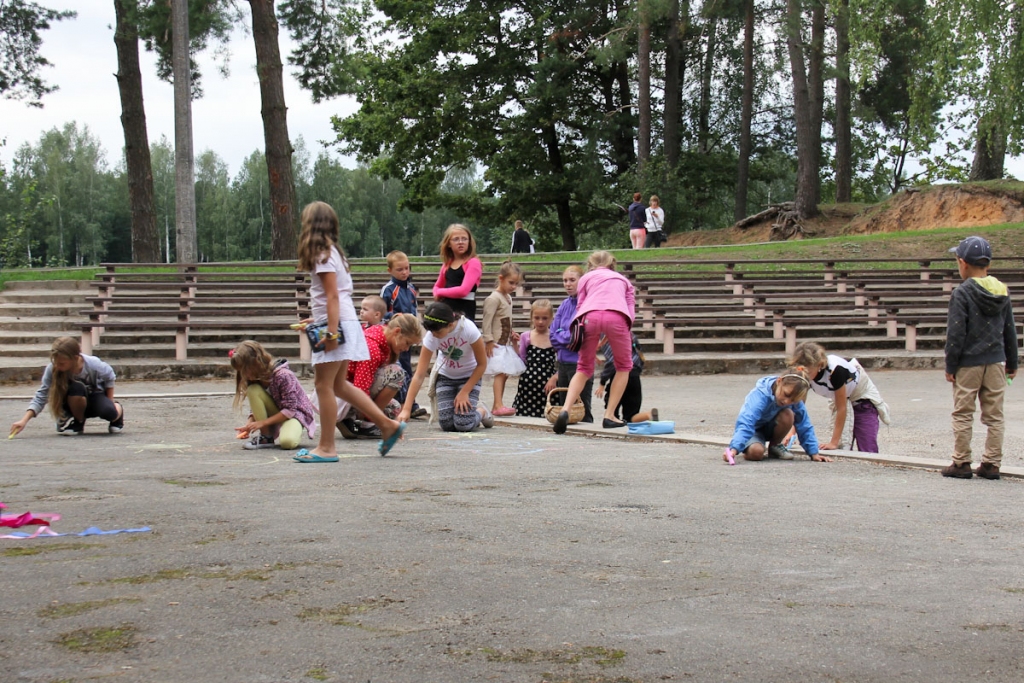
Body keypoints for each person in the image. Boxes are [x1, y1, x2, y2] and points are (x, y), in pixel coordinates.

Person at [295, 201, 405, 462]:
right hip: (343, 322)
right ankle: (387, 425)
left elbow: (332, 296)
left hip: (337, 326)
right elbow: (334, 297)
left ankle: (326, 448)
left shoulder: (321, 254)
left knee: (324, 386)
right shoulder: (334, 253)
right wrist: (320, 318)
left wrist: (331, 333)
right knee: (339, 385)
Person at [941, 236, 1018, 480]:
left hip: (968, 363)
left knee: (963, 412)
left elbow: (956, 333)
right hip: (996, 361)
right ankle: (992, 464)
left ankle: (961, 461)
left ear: (962, 263)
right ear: (988, 264)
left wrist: (950, 365)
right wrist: (1013, 362)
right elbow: (1010, 329)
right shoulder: (1002, 290)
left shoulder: (962, 293)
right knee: (994, 415)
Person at [552, 251, 636, 434]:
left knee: (583, 368)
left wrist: (582, 329)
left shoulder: (586, 279)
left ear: (590, 265)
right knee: (623, 367)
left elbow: (580, 306)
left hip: (590, 317)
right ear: (612, 264)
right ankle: (610, 415)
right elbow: (630, 310)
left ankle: (565, 409)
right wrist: (623, 331)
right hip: (617, 316)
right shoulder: (623, 280)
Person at [399, 302, 492, 432]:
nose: (433, 335)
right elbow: (419, 375)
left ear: (449, 325)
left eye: (437, 331)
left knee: (463, 424)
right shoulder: (432, 336)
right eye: (431, 331)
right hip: (445, 377)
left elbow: (482, 364)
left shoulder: (468, 329)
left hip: (469, 377)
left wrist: (464, 391)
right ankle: (464, 411)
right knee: (447, 424)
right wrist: (406, 409)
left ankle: (481, 412)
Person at [9, 336, 124, 437]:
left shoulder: (93, 364)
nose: (58, 366)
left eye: (62, 363)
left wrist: (110, 402)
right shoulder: (53, 368)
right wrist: (24, 420)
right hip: (71, 401)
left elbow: (110, 376)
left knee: (109, 412)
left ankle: (117, 411)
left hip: (94, 397)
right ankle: (78, 422)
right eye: (56, 362)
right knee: (76, 388)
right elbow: (42, 394)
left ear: (75, 358)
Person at [786, 342, 891, 453]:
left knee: (867, 443)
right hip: (838, 399)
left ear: (819, 365)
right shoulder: (803, 374)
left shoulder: (835, 370)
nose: (805, 375)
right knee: (843, 445)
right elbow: (799, 407)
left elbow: (842, 407)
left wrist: (833, 443)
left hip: (862, 399)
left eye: (808, 371)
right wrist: (791, 432)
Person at [339, 313, 424, 439]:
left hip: (347, 393)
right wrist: (380, 421)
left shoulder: (380, 332)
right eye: (407, 343)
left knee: (394, 408)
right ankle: (365, 422)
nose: (407, 349)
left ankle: (352, 420)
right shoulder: (372, 347)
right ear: (397, 332)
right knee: (396, 373)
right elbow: (361, 388)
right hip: (345, 396)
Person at [724, 371, 832, 464]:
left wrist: (813, 453)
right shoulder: (760, 396)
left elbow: (804, 424)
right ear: (779, 381)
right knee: (756, 453)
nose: (787, 401)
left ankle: (774, 446)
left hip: (772, 427)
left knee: (788, 413)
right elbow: (746, 422)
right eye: (786, 394)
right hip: (753, 430)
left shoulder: (793, 401)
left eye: (793, 400)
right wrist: (734, 449)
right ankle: (747, 446)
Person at [230, 340, 316, 450]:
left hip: (295, 415)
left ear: (256, 363)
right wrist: (249, 425)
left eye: (245, 370)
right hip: (277, 411)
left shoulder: (283, 375)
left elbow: (290, 410)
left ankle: (292, 429)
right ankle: (266, 437)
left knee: (287, 442)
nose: (244, 375)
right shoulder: (254, 378)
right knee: (253, 389)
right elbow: (257, 405)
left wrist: (262, 422)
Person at [380, 250, 427, 419]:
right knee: (396, 369)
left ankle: (410, 404)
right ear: (390, 271)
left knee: (407, 369)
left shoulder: (412, 289)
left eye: (407, 268)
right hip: (395, 337)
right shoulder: (388, 290)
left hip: (407, 338)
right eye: (400, 269)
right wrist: (393, 320)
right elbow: (381, 313)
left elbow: (414, 311)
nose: (405, 272)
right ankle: (395, 403)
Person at [482, 260, 527, 416]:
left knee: (505, 373)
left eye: (516, 284)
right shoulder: (494, 298)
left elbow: (505, 319)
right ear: (501, 278)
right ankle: (498, 404)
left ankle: (497, 404)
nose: (514, 286)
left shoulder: (508, 297)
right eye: (511, 283)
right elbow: (487, 321)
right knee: (501, 373)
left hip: (505, 342)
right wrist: (488, 340)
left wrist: (512, 332)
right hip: (496, 343)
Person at [550, 265, 594, 422]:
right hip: (563, 363)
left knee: (583, 406)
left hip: (580, 363)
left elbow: (579, 336)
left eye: (572, 280)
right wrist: (566, 337)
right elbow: (553, 333)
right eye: (565, 281)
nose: (567, 284)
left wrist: (564, 335)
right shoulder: (564, 304)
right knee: (565, 404)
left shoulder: (587, 304)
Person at [594, 332, 654, 423]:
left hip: (619, 377)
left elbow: (611, 362)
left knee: (612, 412)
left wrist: (602, 382)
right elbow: (639, 352)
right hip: (634, 375)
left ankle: (612, 421)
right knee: (630, 416)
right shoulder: (628, 333)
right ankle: (648, 415)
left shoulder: (607, 337)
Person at [513, 299, 557, 418]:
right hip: (527, 387)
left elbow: (563, 361)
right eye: (537, 318)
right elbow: (521, 361)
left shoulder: (555, 336)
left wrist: (555, 378)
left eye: (544, 318)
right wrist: (514, 344)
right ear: (532, 317)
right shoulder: (526, 336)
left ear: (551, 318)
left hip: (548, 387)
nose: (540, 322)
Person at [433, 223, 483, 322]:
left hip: (464, 310)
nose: (461, 242)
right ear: (448, 244)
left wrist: (440, 292)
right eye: (456, 239)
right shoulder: (447, 264)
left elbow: (463, 290)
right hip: (446, 311)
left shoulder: (473, 263)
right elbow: (437, 286)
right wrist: (437, 293)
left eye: (464, 239)